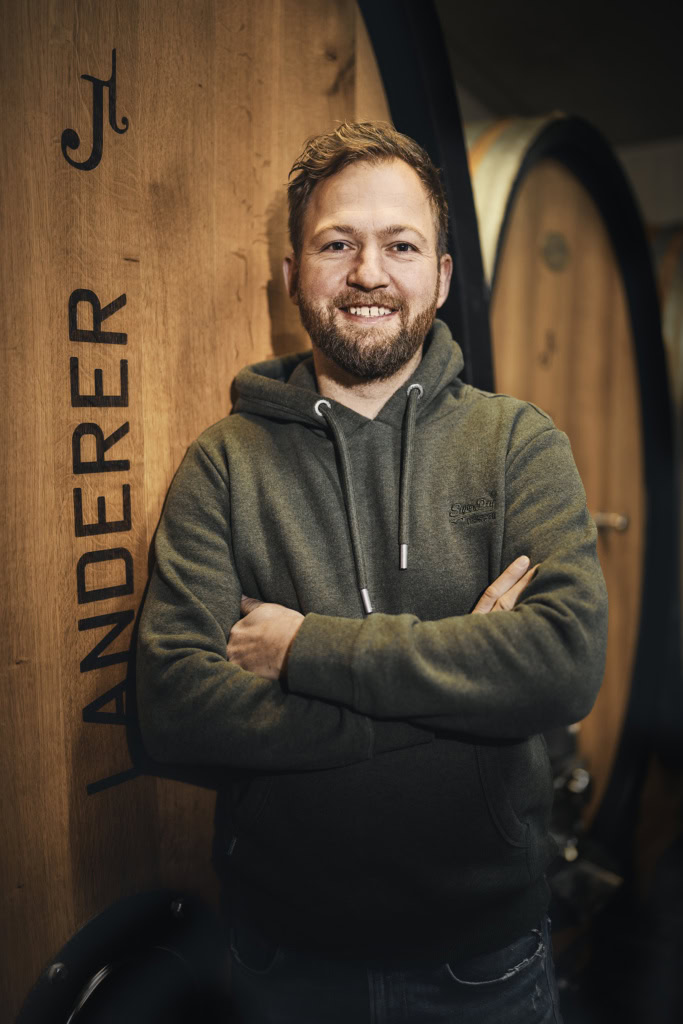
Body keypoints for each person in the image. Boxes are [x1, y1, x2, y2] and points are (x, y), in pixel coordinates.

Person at [136, 121, 608, 1023]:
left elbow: (562, 663)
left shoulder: (515, 445)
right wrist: (459, 689)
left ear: (441, 275)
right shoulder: (223, 464)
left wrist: (305, 646)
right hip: (286, 960)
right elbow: (175, 707)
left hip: (485, 958)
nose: (367, 273)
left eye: (400, 245)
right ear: (291, 275)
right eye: (336, 243)